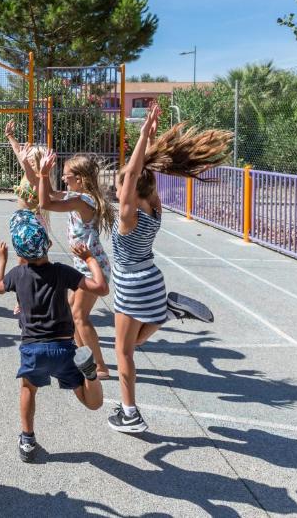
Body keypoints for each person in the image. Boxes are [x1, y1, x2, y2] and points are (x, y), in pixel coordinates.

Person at [110, 103, 229, 433]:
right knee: (131, 345)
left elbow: (134, 174)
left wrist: (145, 134)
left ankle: (129, 412)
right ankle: (169, 311)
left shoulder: (128, 216)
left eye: (120, 187)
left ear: (130, 191)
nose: (117, 191)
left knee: (124, 353)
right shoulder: (155, 207)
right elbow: (141, 174)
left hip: (133, 285)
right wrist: (146, 139)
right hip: (152, 283)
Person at [0, 209, 107, 462]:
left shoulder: (18, 274)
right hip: (64, 349)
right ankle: (90, 374)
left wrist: (1, 260)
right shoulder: (62, 272)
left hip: (33, 349)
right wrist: (89, 259)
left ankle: (27, 439)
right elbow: (101, 287)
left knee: (28, 389)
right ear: (49, 244)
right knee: (93, 403)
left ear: (20, 254)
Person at [36, 150, 115, 379]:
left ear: (80, 179)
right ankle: (84, 359)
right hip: (84, 265)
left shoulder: (82, 200)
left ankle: (100, 367)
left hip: (92, 266)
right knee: (73, 314)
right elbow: (49, 193)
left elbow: (45, 202)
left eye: (67, 175)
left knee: (80, 315)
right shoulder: (77, 196)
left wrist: (42, 175)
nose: (63, 178)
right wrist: (42, 172)